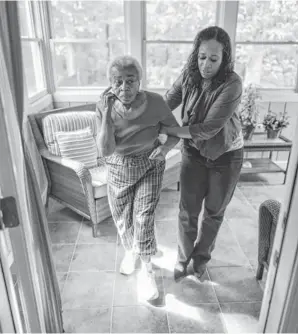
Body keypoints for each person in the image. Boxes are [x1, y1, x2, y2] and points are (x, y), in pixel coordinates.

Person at [161, 26, 244, 282]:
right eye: (201, 57)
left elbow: (208, 129)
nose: (206, 65)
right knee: (187, 211)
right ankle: (182, 258)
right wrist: (143, 117)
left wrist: (170, 130)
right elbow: (167, 101)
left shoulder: (232, 84)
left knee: (214, 213)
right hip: (194, 153)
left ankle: (199, 260)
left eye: (213, 59)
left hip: (226, 156)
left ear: (225, 58)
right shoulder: (189, 74)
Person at [96, 55, 180, 300]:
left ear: (139, 80)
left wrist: (164, 149)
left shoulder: (155, 102)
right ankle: (132, 251)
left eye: (130, 80)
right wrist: (106, 112)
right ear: (111, 84)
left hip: (150, 164)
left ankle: (147, 269)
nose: (124, 88)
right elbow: (105, 150)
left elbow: (174, 132)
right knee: (122, 218)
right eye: (118, 82)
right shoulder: (104, 105)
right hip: (118, 165)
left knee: (144, 216)